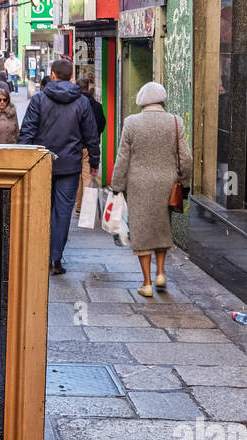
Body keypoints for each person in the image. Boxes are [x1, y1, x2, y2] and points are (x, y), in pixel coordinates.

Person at [110, 81, 193, 297]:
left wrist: (116, 185)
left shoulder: (131, 123)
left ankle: (146, 283)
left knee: (142, 230)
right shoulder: (175, 122)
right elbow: (186, 158)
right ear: (162, 100)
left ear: (142, 102)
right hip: (167, 183)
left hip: (138, 185)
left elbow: (122, 159)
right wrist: (184, 182)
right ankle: (161, 273)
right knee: (162, 226)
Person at [19, 57, 100, 274]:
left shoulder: (38, 100)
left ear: (52, 75)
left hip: (40, 163)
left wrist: (21, 159)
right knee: (63, 212)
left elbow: (27, 131)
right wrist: (94, 160)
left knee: (41, 210)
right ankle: (56, 258)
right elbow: (91, 134)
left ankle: (41, 254)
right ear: (71, 76)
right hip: (70, 165)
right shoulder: (82, 102)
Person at [76, 75, 107, 212]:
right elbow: (102, 124)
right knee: (88, 179)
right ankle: (86, 210)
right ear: (89, 88)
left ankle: (78, 206)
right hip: (90, 147)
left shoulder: (74, 105)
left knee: (77, 179)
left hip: (76, 146)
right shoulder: (97, 106)